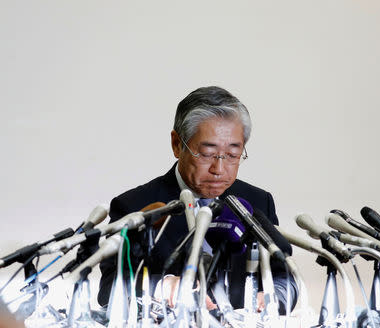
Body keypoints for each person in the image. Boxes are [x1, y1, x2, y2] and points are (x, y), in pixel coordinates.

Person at [98, 86, 297, 314]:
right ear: (176, 144)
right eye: (207, 154)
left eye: (233, 155)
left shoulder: (257, 202)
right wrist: (160, 288)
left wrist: (274, 297)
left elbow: (285, 278)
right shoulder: (135, 206)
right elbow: (108, 290)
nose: (219, 169)